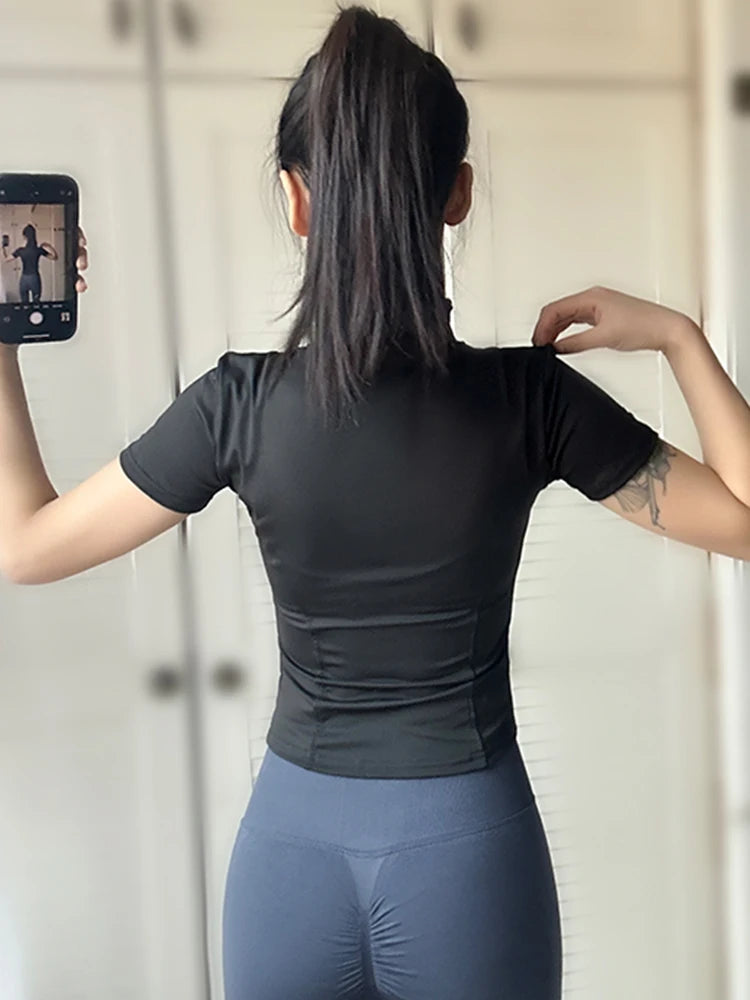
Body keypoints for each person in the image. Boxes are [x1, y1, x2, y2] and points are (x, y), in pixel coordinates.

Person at [1, 6, 749, 999]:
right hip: (467, 857)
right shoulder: (529, 401)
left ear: (297, 200)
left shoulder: (237, 404)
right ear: (458, 194)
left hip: (288, 863)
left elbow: (25, 544)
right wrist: (679, 338)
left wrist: (3, 338)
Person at [0, 222, 59, 303]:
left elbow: (6, 259)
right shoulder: (38, 250)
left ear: (25, 237)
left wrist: (3, 247)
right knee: (36, 302)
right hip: (35, 278)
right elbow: (55, 257)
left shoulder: (21, 250)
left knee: (24, 303)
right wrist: (48, 246)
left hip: (24, 279)